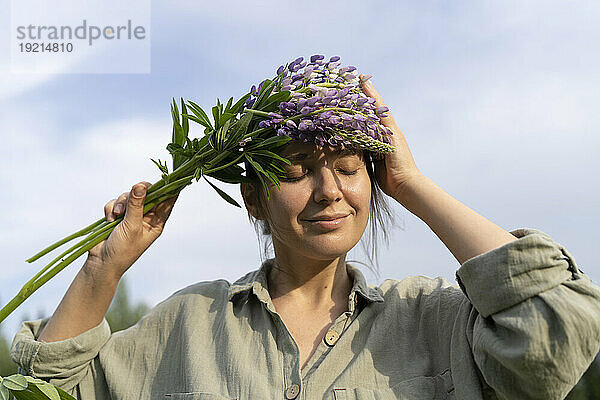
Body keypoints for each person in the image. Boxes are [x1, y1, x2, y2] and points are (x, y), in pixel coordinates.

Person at [10, 78, 600, 400]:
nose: (327, 191)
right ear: (254, 198)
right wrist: (103, 269)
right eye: (295, 169)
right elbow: (38, 394)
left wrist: (411, 183)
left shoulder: (430, 318)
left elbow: (560, 323)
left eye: (348, 167)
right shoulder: (185, 324)